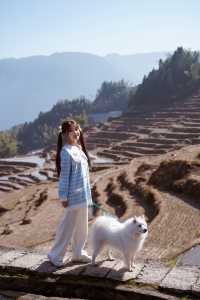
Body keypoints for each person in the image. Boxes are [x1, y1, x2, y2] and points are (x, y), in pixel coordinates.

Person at [47, 119, 93, 267]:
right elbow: (64, 177)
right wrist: (63, 196)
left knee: (82, 226)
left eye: (78, 130)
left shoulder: (78, 149)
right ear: (66, 134)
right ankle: (55, 255)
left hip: (84, 195)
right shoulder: (65, 152)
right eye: (75, 130)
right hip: (72, 197)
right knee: (67, 227)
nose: (78, 133)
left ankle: (78, 253)